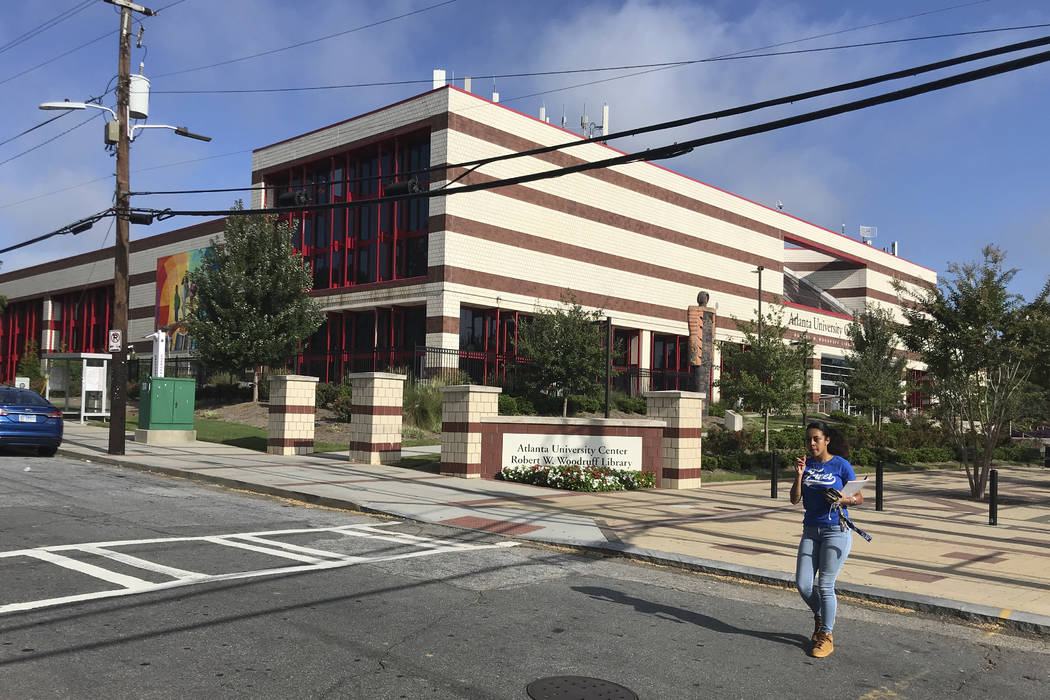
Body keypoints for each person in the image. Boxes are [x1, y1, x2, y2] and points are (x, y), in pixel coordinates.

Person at [790, 420, 863, 658]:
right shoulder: (806, 464)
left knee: (825, 584)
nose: (811, 444)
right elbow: (794, 499)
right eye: (808, 440)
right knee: (802, 584)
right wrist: (799, 476)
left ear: (827, 440)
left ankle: (826, 635)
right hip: (810, 529)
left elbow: (859, 498)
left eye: (816, 439)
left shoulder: (841, 465)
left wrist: (843, 499)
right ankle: (822, 616)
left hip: (836, 530)